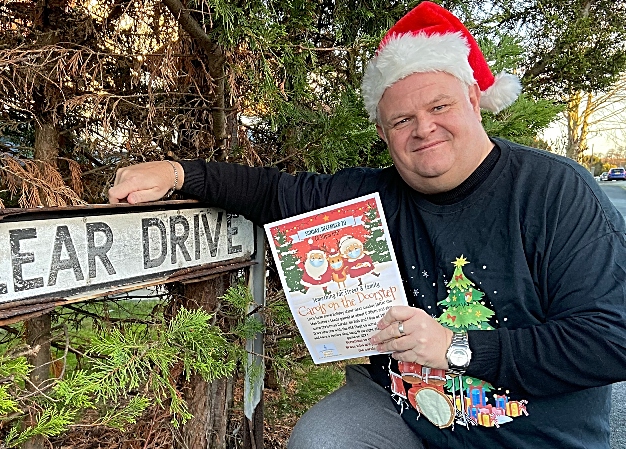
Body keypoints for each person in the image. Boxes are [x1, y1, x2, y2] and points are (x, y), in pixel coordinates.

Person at [108, 2, 626, 448]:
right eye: (401, 119)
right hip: (400, 417)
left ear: (473, 100)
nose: (423, 128)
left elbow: (612, 340)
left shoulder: (554, 191)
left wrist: (457, 347)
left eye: (440, 106)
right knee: (325, 438)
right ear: (383, 130)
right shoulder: (367, 194)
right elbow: (271, 192)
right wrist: (177, 172)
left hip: (530, 433)